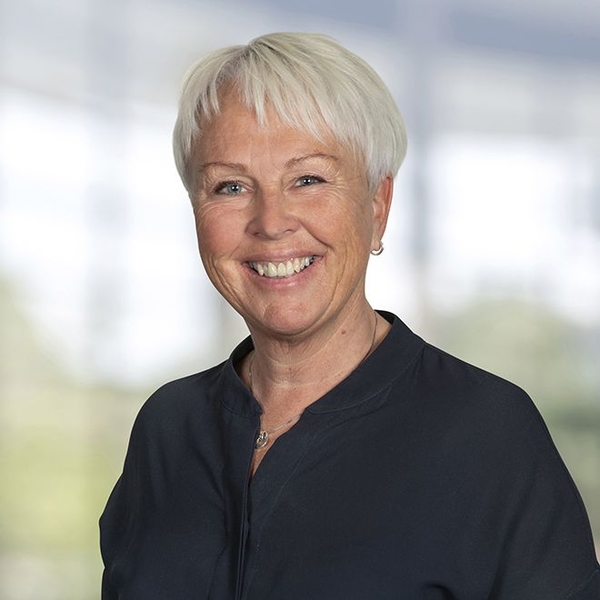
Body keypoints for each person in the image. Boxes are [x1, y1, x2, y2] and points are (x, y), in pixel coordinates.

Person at [99, 32, 600, 599]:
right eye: (230, 186)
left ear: (378, 205)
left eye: (308, 179)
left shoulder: (486, 433)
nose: (272, 222)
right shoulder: (167, 429)